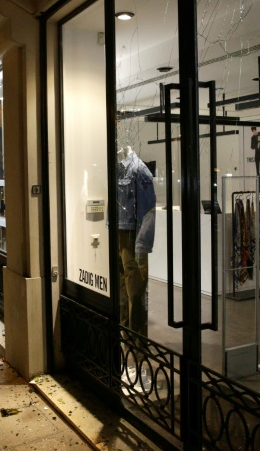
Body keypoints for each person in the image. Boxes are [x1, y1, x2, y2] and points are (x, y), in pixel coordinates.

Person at [116, 145, 155, 362]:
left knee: (137, 293)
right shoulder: (117, 168)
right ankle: (126, 337)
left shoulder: (140, 171)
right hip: (120, 236)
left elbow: (149, 211)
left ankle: (139, 346)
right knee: (122, 291)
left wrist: (142, 245)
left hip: (133, 237)